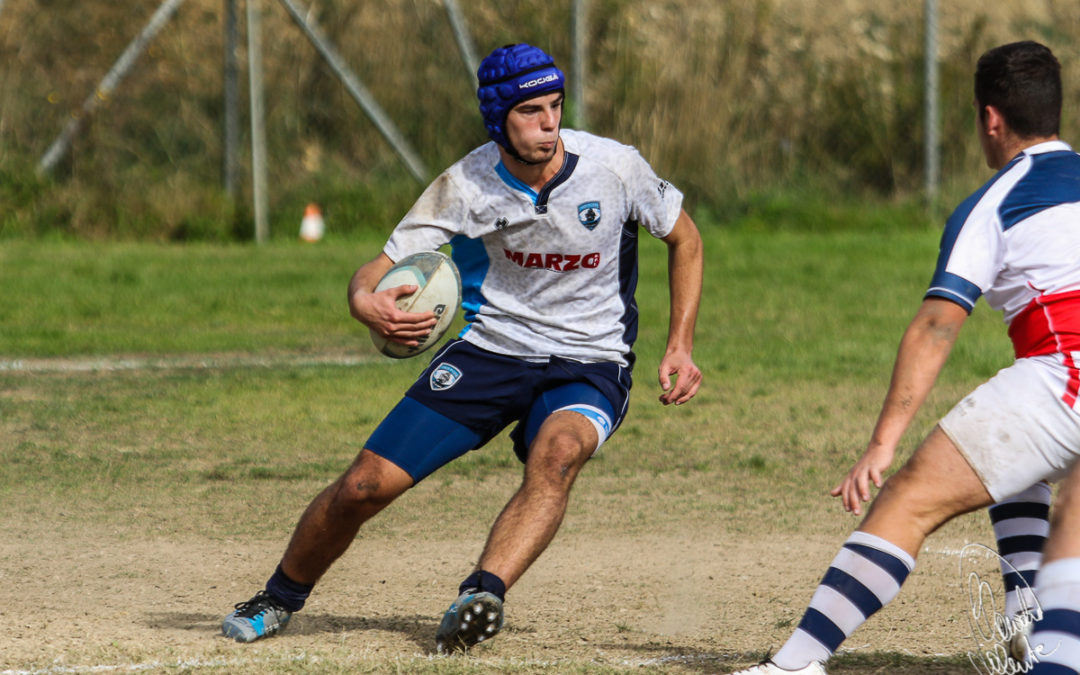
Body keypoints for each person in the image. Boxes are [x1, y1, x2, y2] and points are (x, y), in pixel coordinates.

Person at [221, 42, 704, 652]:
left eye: (556, 106)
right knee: (364, 487)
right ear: (498, 119)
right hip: (491, 352)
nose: (550, 123)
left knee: (556, 457)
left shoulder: (615, 167)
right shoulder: (466, 183)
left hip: (591, 361)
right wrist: (362, 302)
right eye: (531, 111)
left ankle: (481, 597)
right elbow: (377, 268)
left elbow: (685, 239)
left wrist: (679, 345)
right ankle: (277, 597)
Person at [725, 40, 1080, 675]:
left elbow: (938, 326)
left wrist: (883, 445)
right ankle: (1030, 622)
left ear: (989, 118)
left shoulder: (996, 201)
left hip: (1066, 376)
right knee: (1014, 471)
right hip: (1056, 387)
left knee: (909, 499)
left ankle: (795, 664)